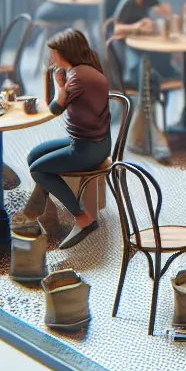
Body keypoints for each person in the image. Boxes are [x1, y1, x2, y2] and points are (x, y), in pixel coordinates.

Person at [30, 29, 113, 250]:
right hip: (90, 141)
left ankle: (81, 217)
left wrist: (59, 84)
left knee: (38, 170)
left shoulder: (79, 76)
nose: (50, 57)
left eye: (53, 53)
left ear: (65, 53)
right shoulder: (83, 70)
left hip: (88, 149)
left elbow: (55, 107)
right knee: (34, 155)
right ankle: (44, 214)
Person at [111, 0, 178, 85]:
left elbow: (165, 9)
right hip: (128, 44)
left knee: (162, 55)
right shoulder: (128, 1)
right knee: (144, 63)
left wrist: (161, 11)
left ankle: (158, 81)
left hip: (142, 42)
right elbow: (116, 28)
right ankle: (147, 86)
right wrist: (136, 27)